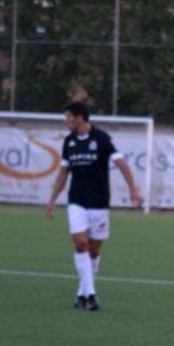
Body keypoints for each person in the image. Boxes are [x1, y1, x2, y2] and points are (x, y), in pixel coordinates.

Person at [45, 102, 142, 311]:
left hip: (99, 202)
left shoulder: (101, 138)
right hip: (77, 201)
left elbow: (122, 163)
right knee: (81, 244)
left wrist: (133, 189)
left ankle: (82, 292)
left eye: (68, 117)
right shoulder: (69, 142)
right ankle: (91, 295)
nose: (66, 121)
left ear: (79, 117)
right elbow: (63, 173)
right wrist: (52, 200)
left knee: (94, 250)